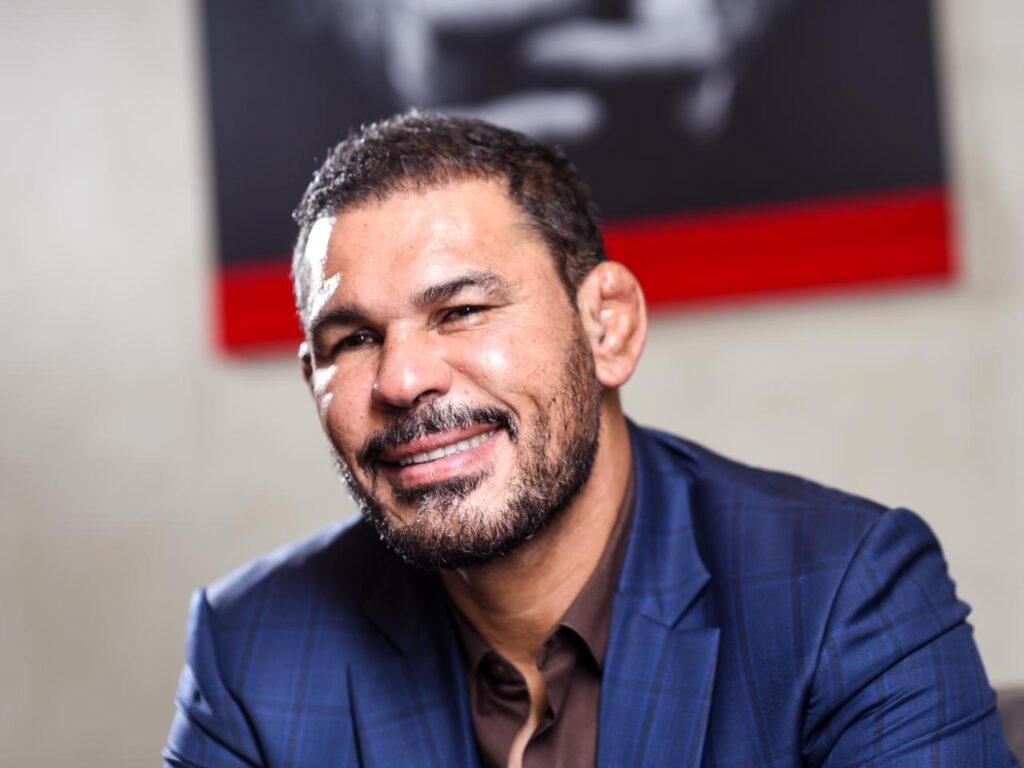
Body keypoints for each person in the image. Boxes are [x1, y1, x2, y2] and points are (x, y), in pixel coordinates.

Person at [164, 112, 1015, 767]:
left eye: (461, 310)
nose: (401, 380)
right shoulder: (251, 649)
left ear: (607, 327)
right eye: (353, 339)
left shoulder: (847, 594)